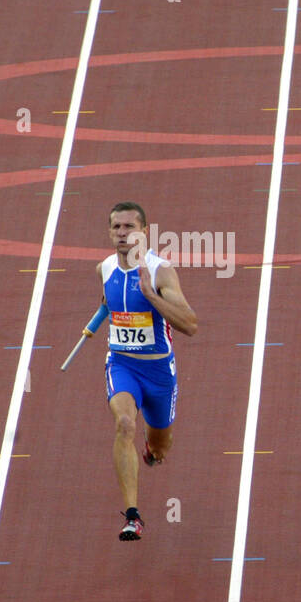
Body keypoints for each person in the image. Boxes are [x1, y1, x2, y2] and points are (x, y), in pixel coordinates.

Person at [98, 202, 198, 541]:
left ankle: (152, 451)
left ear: (145, 231)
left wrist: (149, 296)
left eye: (129, 227)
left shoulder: (160, 272)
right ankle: (132, 515)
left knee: (160, 448)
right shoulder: (105, 268)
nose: (123, 233)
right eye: (117, 228)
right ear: (109, 232)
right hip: (122, 364)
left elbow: (190, 325)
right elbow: (109, 301)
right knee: (124, 423)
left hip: (158, 375)